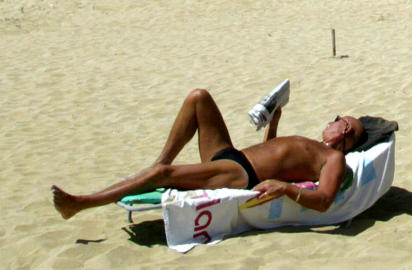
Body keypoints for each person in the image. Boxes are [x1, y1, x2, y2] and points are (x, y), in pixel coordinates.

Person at [51, 88, 364, 219]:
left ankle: (80, 204)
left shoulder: (333, 160)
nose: (331, 121)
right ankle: (161, 161)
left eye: (338, 120)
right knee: (198, 98)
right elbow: (280, 156)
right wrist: (274, 123)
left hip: (240, 174)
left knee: (163, 178)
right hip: (230, 155)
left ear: (346, 131)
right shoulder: (314, 146)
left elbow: (323, 201)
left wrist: (285, 188)